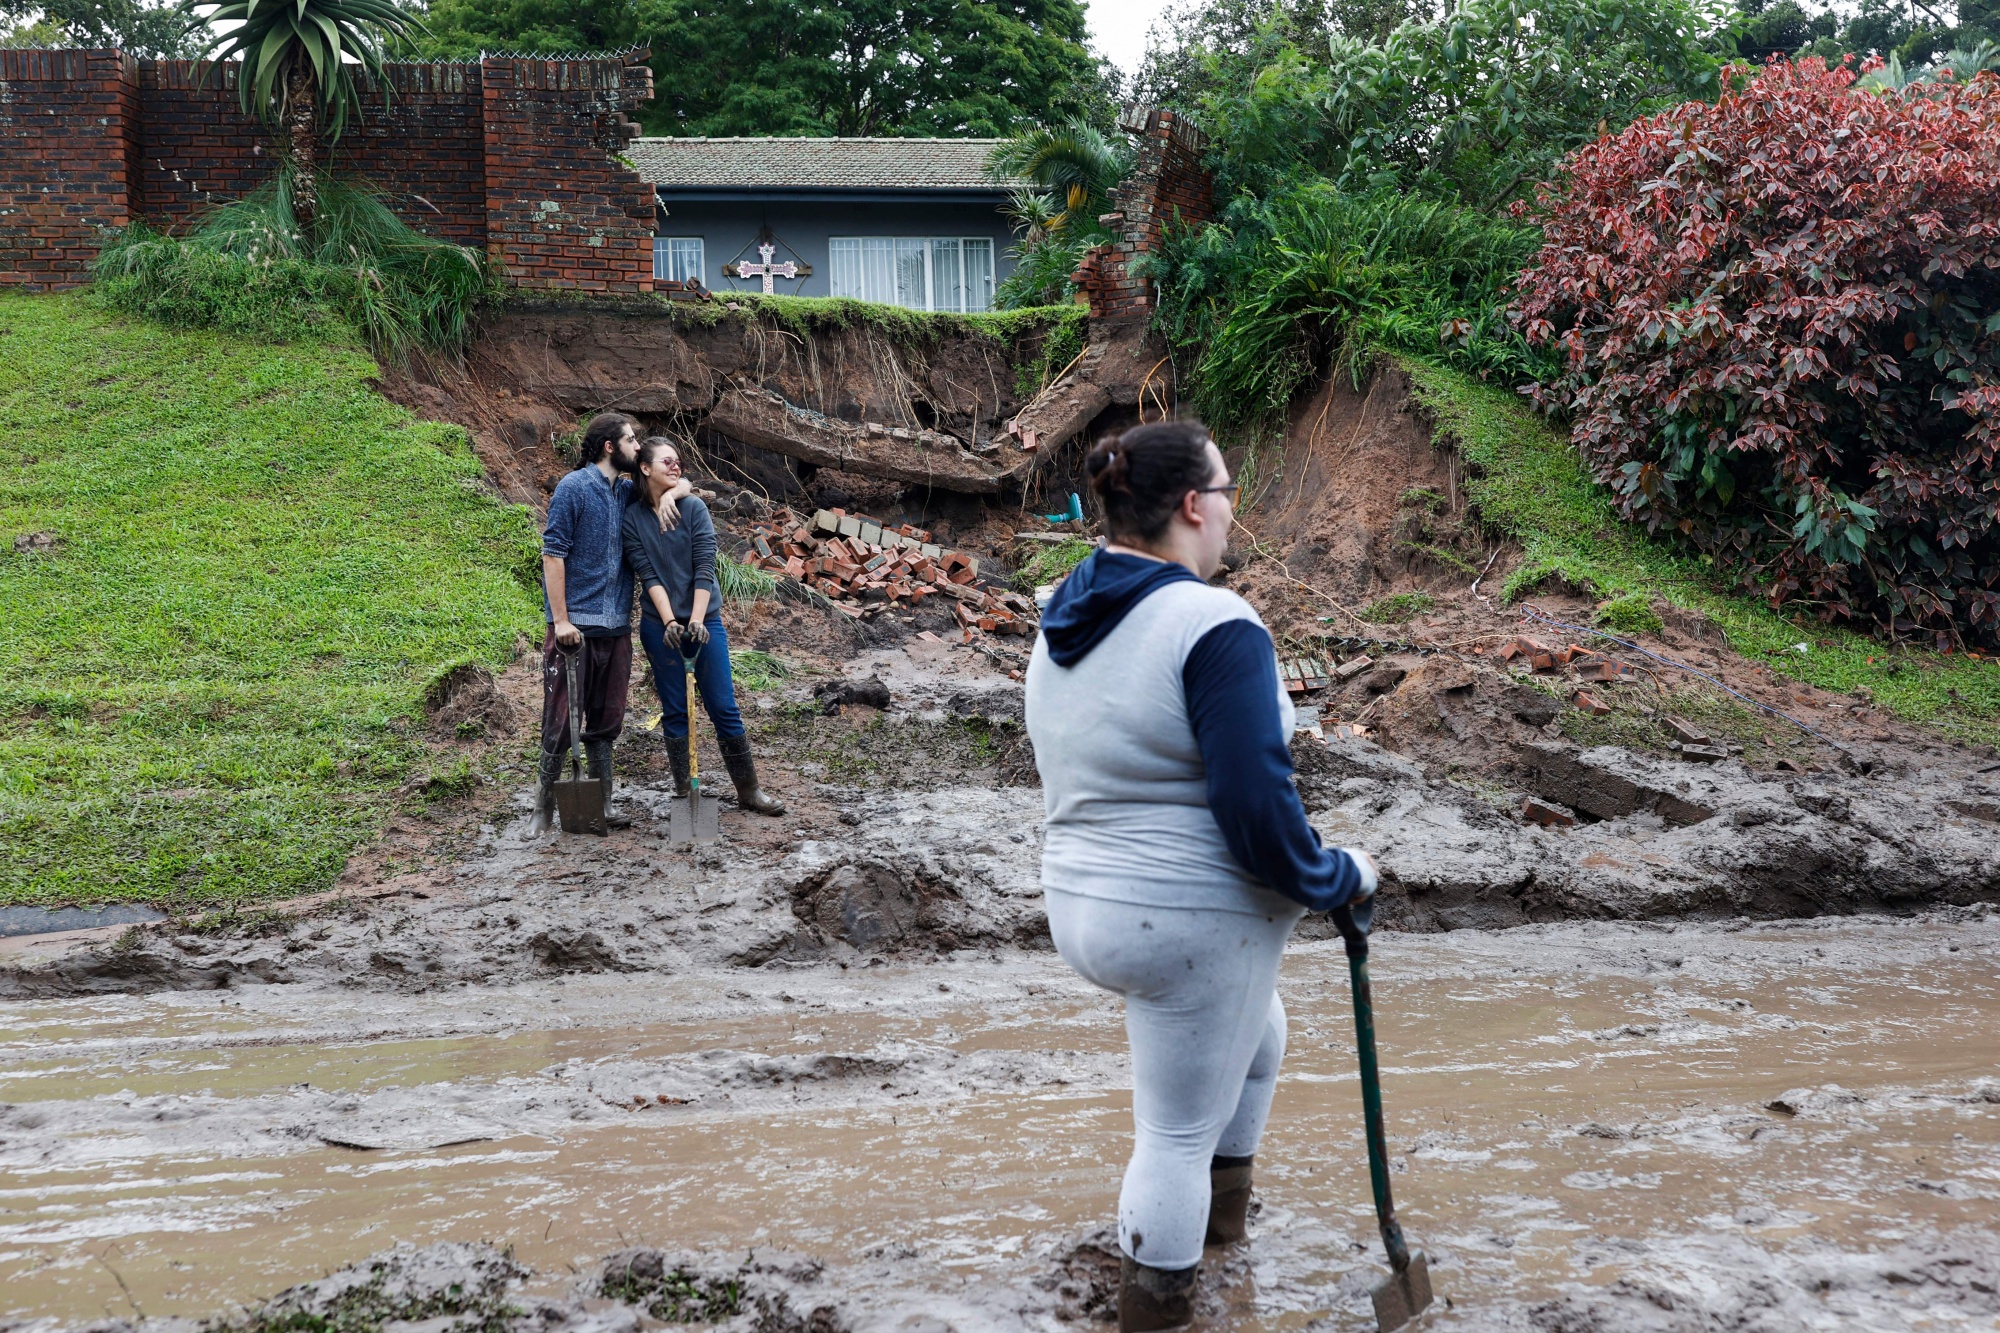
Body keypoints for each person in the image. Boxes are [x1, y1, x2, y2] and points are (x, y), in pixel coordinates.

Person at [1023, 420, 1379, 1332]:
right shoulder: (1213, 622)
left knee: (1259, 1034)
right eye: (1226, 496)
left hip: (1082, 901)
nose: (1231, 515)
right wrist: (1336, 874)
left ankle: (1225, 1234)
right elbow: (1258, 812)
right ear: (1191, 505)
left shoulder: (1066, 612)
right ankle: (1158, 1308)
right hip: (1183, 917)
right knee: (1174, 1134)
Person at [528, 413, 688, 835]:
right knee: (561, 719)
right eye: (632, 440)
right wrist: (560, 619)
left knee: (606, 720)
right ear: (609, 447)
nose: (640, 447)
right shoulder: (573, 488)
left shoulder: (629, 491)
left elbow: (679, 482)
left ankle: (603, 802)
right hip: (573, 630)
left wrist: (675, 494)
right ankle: (541, 809)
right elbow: (553, 554)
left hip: (616, 626)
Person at [621, 435, 785, 816]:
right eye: (667, 462)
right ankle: (685, 797)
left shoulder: (693, 508)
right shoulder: (632, 518)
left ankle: (749, 791)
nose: (676, 467)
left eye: (678, 462)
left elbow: (705, 569)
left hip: (705, 620)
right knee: (675, 711)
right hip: (659, 626)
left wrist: (695, 619)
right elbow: (648, 576)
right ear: (645, 468)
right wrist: (670, 623)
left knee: (723, 707)